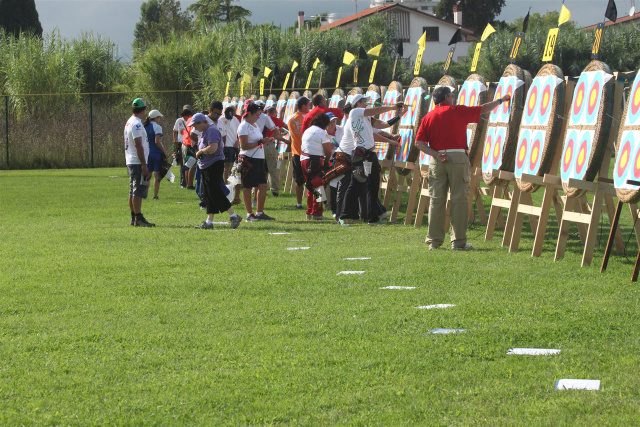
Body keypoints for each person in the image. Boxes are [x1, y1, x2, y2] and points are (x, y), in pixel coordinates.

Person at [416, 86, 511, 250]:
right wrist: (501, 100)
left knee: (436, 200)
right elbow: (483, 109)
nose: (454, 99)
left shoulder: (428, 117)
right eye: (452, 96)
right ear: (446, 97)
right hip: (458, 158)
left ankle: (433, 241)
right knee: (459, 200)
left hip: (437, 161)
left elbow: (419, 143)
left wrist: (436, 154)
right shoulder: (457, 111)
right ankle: (458, 242)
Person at [339, 95, 403, 226]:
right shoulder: (355, 112)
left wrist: (399, 115)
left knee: (373, 186)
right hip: (360, 154)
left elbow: (383, 125)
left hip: (370, 154)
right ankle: (344, 216)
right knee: (355, 185)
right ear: (358, 103)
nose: (366, 103)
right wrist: (393, 107)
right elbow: (375, 111)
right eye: (364, 102)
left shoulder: (366, 117)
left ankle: (372, 218)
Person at [190, 113, 242, 230]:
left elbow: (213, 148)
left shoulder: (212, 130)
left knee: (215, 192)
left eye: (195, 125)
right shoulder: (204, 132)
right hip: (206, 165)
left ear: (202, 122)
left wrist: (200, 152)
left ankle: (234, 215)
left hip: (213, 164)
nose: (195, 128)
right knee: (208, 194)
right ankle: (209, 222)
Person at [238, 103, 276, 222]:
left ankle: (259, 212)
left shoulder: (254, 125)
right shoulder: (243, 126)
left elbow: (258, 141)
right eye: (257, 115)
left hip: (259, 159)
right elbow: (244, 145)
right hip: (249, 159)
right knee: (248, 186)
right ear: (249, 114)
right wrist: (260, 142)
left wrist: (265, 141)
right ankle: (249, 214)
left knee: (263, 185)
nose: (258, 117)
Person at [124, 98, 154, 227]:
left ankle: (134, 216)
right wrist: (143, 164)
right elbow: (138, 144)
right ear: (144, 109)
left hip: (131, 159)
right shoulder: (136, 123)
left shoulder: (129, 122)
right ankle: (138, 217)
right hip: (137, 161)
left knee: (132, 190)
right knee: (138, 190)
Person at [300, 113, 335, 220]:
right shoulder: (321, 132)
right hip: (315, 161)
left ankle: (310, 211)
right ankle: (317, 213)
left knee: (310, 185)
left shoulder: (308, 130)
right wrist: (327, 162)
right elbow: (328, 151)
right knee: (319, 187)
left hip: (304, 159)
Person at [287, 96, 311, 209]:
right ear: (303, 106)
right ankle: (317, 202)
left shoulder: (290, 118)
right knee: (314, 179)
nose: (310, 107)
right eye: (308, 105)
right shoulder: (310, 118)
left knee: (299, 180)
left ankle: (299, 203)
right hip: (310, 152)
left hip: (297, 152)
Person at [143, 109, 169, 200]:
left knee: (148, 176)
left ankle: (144, 195)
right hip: (156, 153)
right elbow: (157, 141)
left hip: (147, 153)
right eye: (159, 117)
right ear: (156, 117)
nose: (160, 119)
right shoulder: (157, 127)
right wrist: (164, 152)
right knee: (157, 176)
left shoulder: (145, 126)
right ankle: (155, 196)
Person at [173, 105, 193, 188]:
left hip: (189, 143)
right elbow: (174, 131)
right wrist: (175, 140)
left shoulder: (191, 120)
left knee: (189, 164)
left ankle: (188, 182)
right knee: (183, 163)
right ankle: (183, 182)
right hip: (181, 143)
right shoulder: (179, 120)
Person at [222, 105, 240, 183]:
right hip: (226, 146)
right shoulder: (221, 120)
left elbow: (240, 130)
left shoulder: (235, 119)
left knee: (236, 165)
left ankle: (235, 183)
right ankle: (225, 182)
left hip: (235, 145)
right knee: (227, 165)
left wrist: (238, 140)